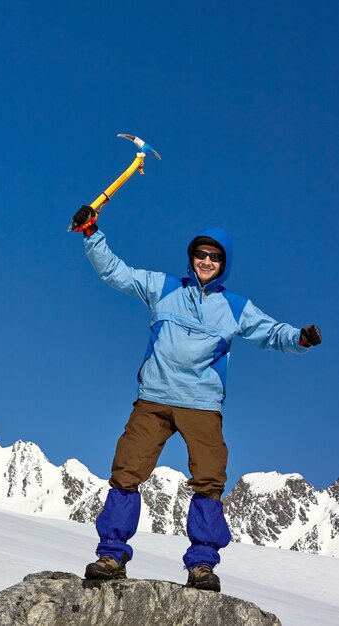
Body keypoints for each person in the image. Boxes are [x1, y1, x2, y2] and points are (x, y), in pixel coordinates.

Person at [72, 205, 322, 592]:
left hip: (202, 404)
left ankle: (202, 565)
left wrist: (299, 338)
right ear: (191, 257)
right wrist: (92, 234)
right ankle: (111, 554)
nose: (206, 261)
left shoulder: (236, 307)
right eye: (200, 254)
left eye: (215, 256)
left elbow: (272, 332)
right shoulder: (163, 287)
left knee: (209, 480)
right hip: (153, 398)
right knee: (126, 470)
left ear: (224, 263)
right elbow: (115, 272)